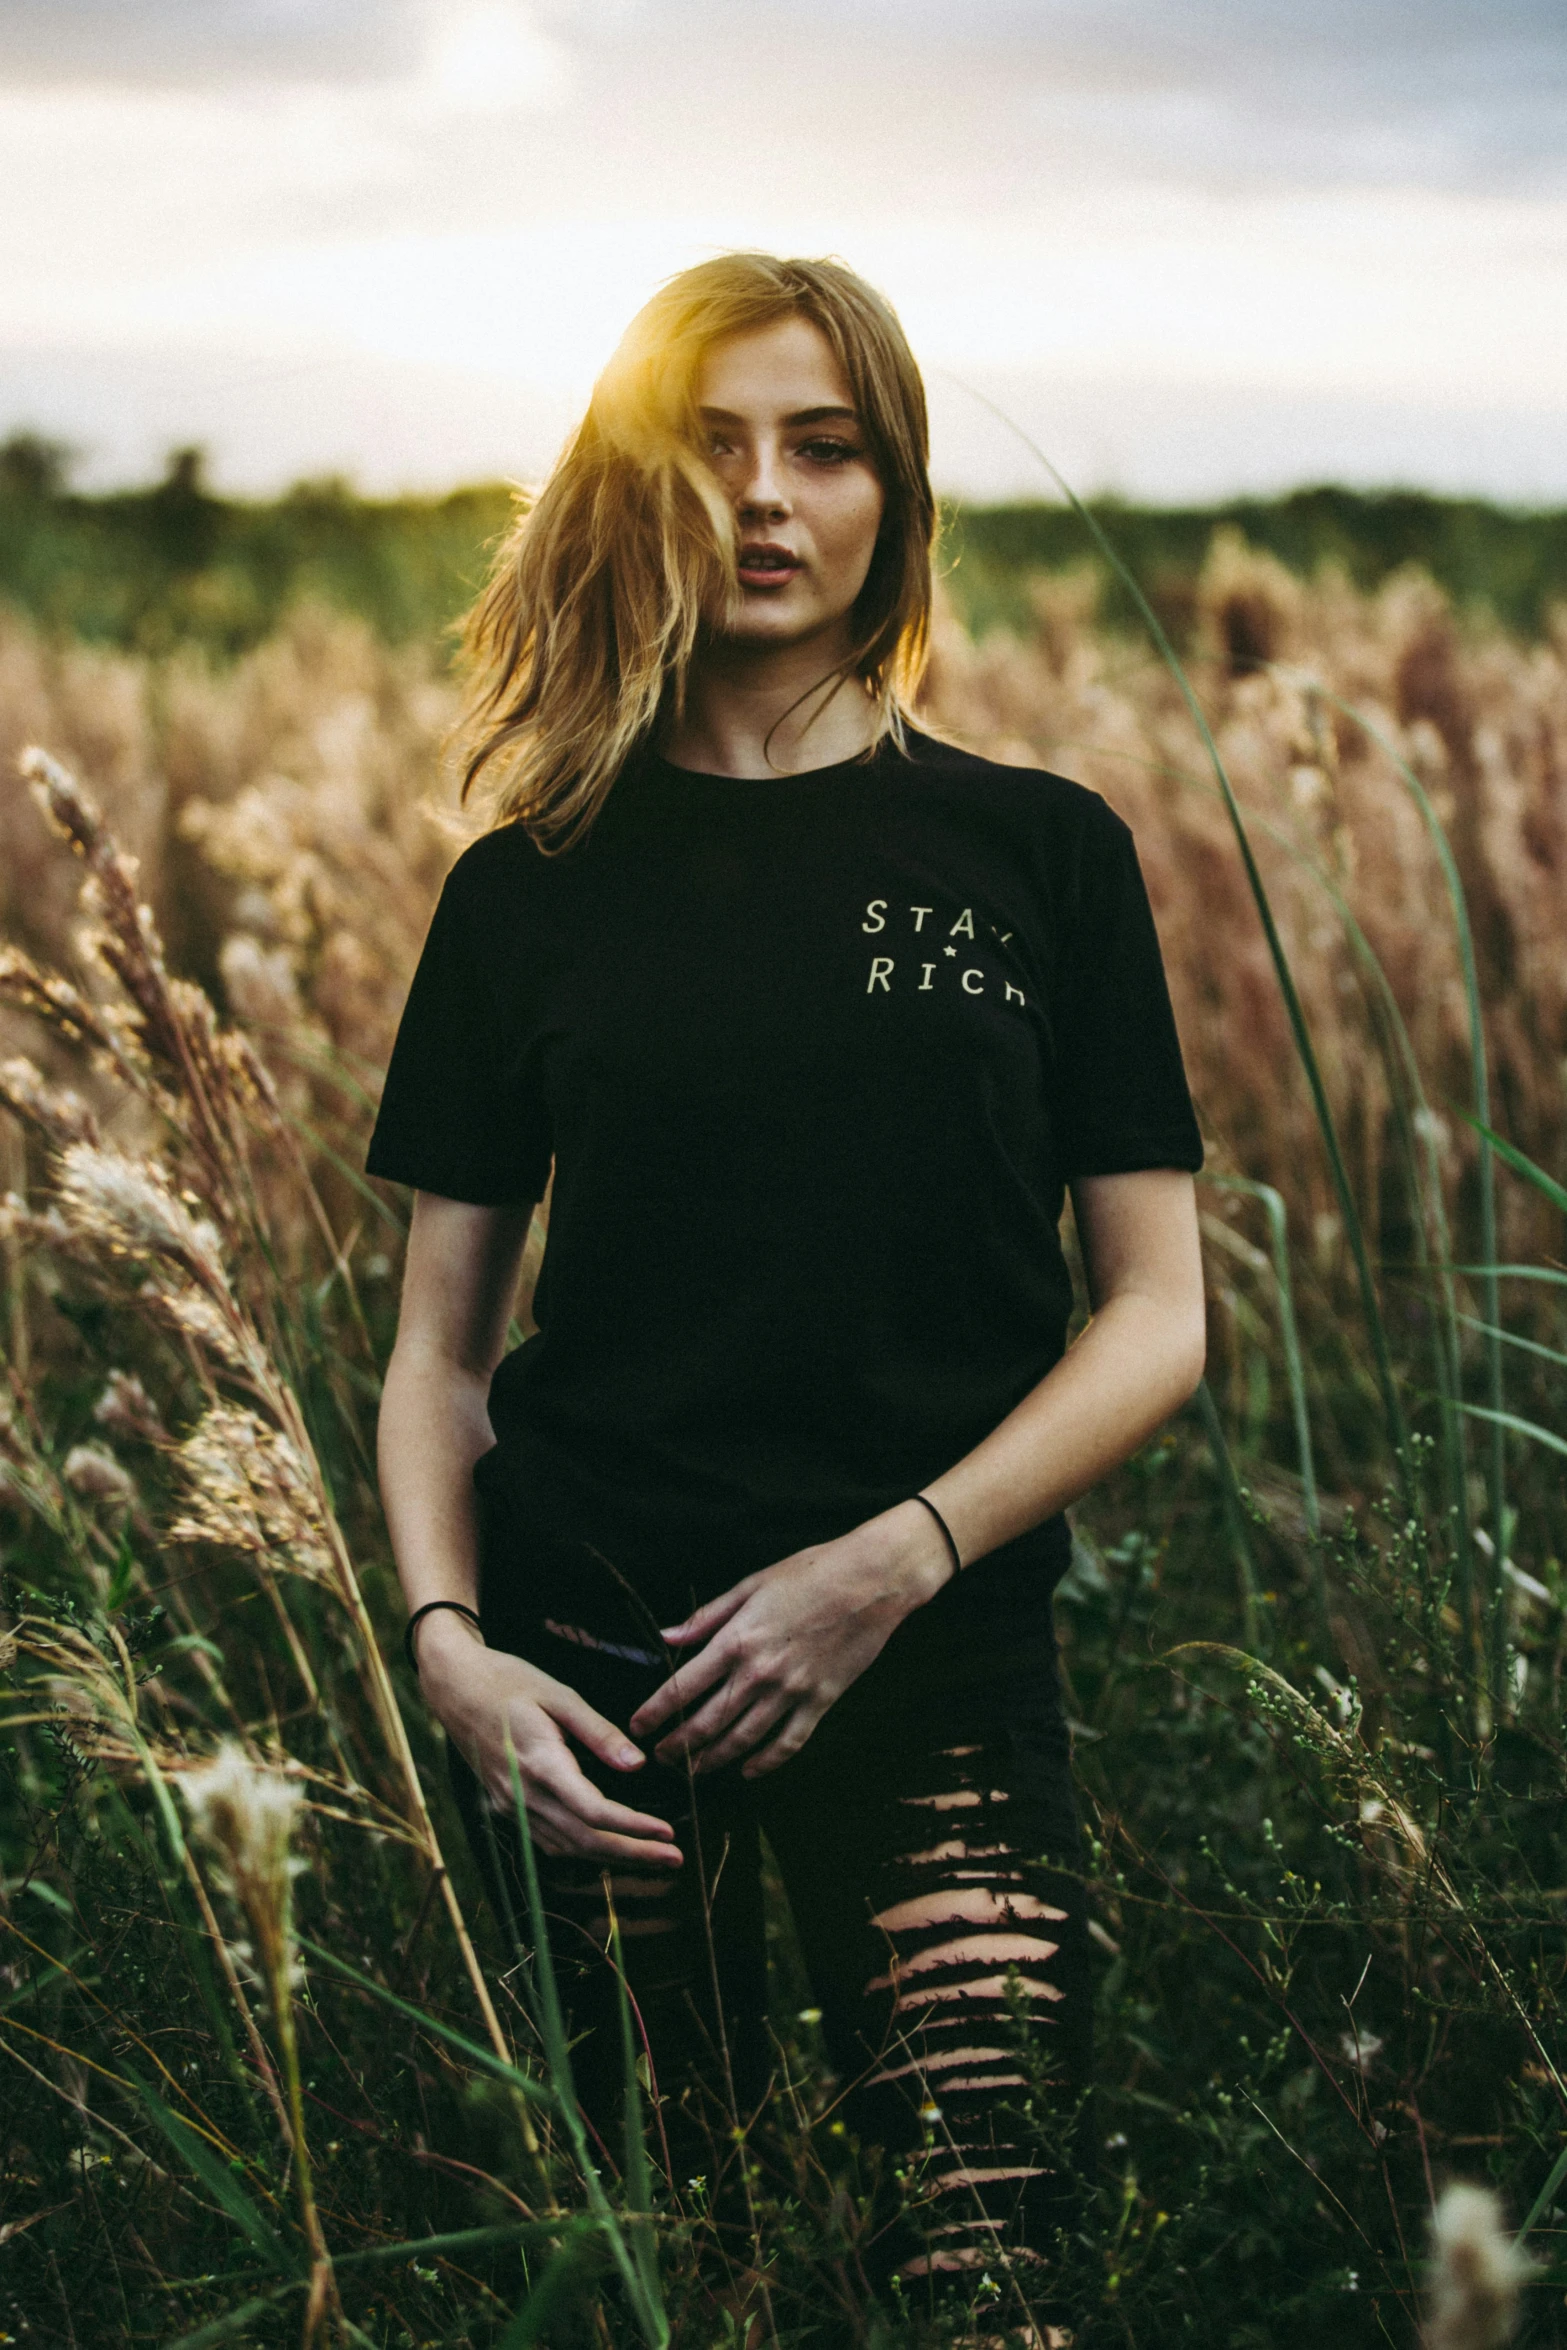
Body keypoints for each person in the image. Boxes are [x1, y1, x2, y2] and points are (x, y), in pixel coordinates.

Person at [367, 252, 1205, 2328]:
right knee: (674, 2282)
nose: (766, 495)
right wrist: (454, 1651)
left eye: (821, 447)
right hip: (588, 1689)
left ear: (891, 494)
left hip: (931, 1657)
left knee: (994, 2268)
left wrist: (896, 1555)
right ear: (631, 485)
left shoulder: (1042, 855)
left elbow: (1157, 1310)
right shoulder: (528, 883)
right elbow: (438, 1357)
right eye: (710, 443)